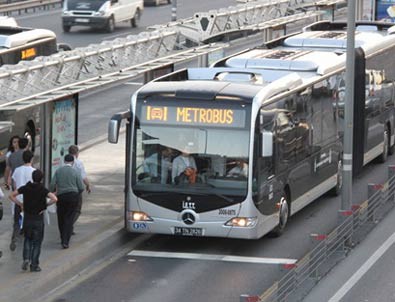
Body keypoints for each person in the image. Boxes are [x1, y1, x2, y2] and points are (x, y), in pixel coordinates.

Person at [9, 169, 57, 272]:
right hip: (38, 220)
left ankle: (26, 258)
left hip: (27, 219)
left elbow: (11, 195)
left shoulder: (26, 188)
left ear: (32, 177)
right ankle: (34, 265)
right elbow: (54, 198)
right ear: (41, 179)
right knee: (37, 242)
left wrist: (20, 204)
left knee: (27, 239)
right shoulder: (43, 189)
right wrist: (45, 206)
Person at [50, 154, 84, 249]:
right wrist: (77, 194)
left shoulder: (58, 171)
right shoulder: (75, 171)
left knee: (61, 218)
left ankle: (62, 237)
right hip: (73, 197)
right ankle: (66, 241)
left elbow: (52, 184)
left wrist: (52, 191)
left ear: (64, 161)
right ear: (72, 162)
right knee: (69, 219)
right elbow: (81, 187)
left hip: (61, 197)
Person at [7, 137, 29, 251]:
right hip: (27, 191)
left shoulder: (11, 156)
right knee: (27, 214)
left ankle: (14, 236)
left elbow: (9, 171)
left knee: (16, 215)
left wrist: (7, 182)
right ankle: (24, 232)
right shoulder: (27, 156)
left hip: (17, 189)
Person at [68, 145, 91, 233]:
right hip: (76, 190)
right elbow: (83, 177)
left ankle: (69, 226)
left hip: (65, 189)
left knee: (68, 209)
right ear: (77, 153)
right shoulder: (78, 163)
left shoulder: (64, 162)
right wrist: (88, 185)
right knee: (77, 209)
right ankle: (69, 224)